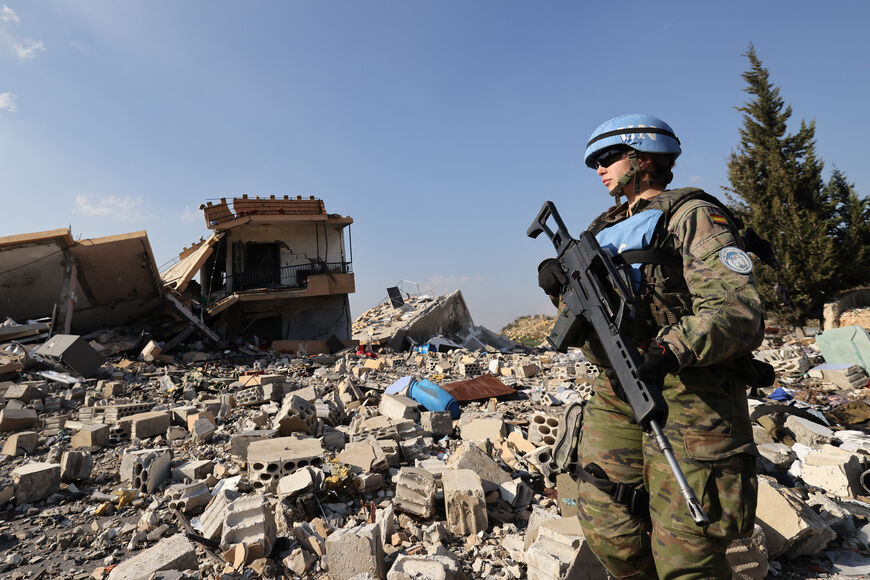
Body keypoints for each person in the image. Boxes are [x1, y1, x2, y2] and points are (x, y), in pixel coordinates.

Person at [538, 114, 764, 579]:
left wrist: (667, 351)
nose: (598, 170)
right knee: (608, 528)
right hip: (619, 387)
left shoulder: (692, 215)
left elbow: (737, 311)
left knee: (688, 551)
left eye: (605, 159)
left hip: (690, 391)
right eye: (593, 164)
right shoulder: (603, 228)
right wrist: (560, 289)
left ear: (642, 158)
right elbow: (594, 318)